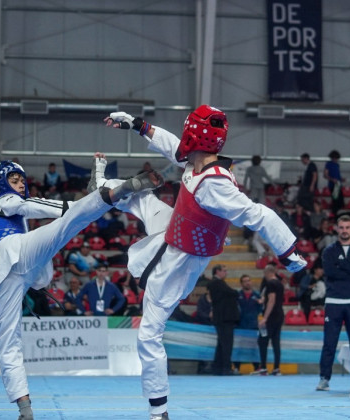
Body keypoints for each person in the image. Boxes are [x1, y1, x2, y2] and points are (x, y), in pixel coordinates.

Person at [105, 106, 305, 419]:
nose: (183, 135)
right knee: (134, 194)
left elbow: (258, 214)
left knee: (148, 334)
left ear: (195, 134)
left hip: (181, 260)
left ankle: (159, 411)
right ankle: (96, 190)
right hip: (174, 229)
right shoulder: (193, 163)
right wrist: (137, 124)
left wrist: (289, 253)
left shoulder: (214, 184)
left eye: (187, 129)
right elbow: (172, 145)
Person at [0, 160, 160, 419]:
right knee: (68, 223)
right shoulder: (3, 201)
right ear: (1, 183)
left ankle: (24, 409)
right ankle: (110, 193)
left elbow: (36, 276)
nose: (19, 185)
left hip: (3, 278)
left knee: (8, 342)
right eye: (13, 180)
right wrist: (72, 207)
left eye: (21, 180)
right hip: (13, 255)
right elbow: (27, 206)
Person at [317, 215, 350, 391]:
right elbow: (330, 272)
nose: (345, 230)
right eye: (342, 227)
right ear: (337, 229)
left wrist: (341, 265)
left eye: (348, 227)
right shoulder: (328, 251)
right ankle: (324, 378)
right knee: (329, 342)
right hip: (333, 302)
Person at [206, 265, 239, 376]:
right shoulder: (217, 283)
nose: (226, 273)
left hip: (221, 317)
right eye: (224, 271)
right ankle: (225, 367)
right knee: (226, 344)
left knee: (221, 343)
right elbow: (233, 292)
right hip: (224, 317)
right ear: (217, 271)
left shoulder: (215, 284)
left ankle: (218, 366)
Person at [258, 265, 284, 376]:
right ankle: (276, 368)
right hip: (279, 314)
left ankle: (263, 367)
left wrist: (265, 318)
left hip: (271, 316)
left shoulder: (270, 284)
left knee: (263, 341)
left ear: (268, 273)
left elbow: (271, 301)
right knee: (276, 342)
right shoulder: (279, 283)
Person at [323, 150, 344, 215]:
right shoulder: (328, 164)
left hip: (338, 184)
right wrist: (332, 180)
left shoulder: (337, 165)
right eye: (334, 158)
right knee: (335, 201)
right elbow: (325, 175)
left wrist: (341, 179)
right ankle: (334, 214)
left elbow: (338, 176)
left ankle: (337, 213)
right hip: (333, 185)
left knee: (340, 201)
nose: (335, 159)